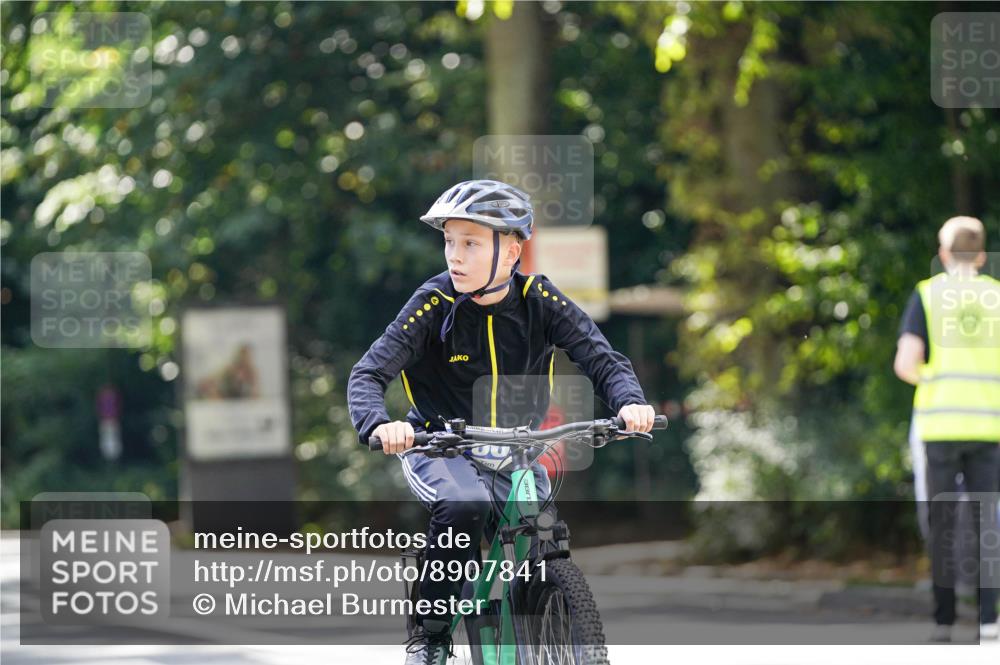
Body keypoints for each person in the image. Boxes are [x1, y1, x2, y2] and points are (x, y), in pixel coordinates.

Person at [348, 179, 655, 664]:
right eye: (450, 241)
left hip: (520, 450)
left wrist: (629, 404)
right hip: (439, 447)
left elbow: (603, 360)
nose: (455, 255)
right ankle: (429, 635)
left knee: (541, 525)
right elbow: (368, 373)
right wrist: (379, 424)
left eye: (470, 243)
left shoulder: (541, 300)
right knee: (464, 507)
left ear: (511, 251)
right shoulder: (434, 303)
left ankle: (540, 624)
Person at [893, 215, 1000, 642]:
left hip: (939, 426)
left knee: (941, 523)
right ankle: (989, 620)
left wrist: (934, 379)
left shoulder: (927, 294)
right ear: (980, 254)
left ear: (942, 253)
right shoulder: (997, 297)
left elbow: (906, 364)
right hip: (989, 427)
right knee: (987, 521)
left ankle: (943, 621)